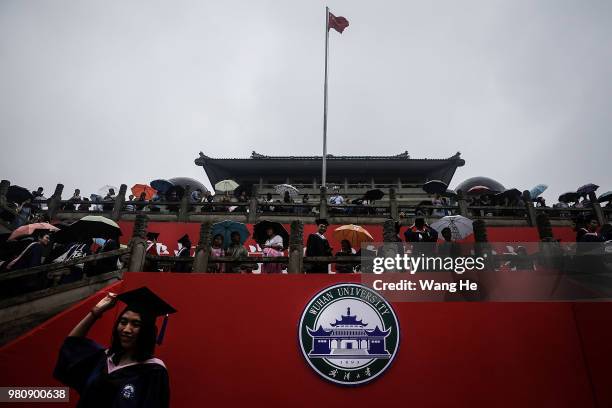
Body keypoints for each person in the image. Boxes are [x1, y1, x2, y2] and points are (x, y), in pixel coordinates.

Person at [54, 287, 174, 408]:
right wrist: (95, 312)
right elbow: (72, 345)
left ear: (147, 331)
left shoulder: (153, 371)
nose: (127, 329)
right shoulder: (104, 358)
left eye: (136, 324)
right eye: (123, 322)